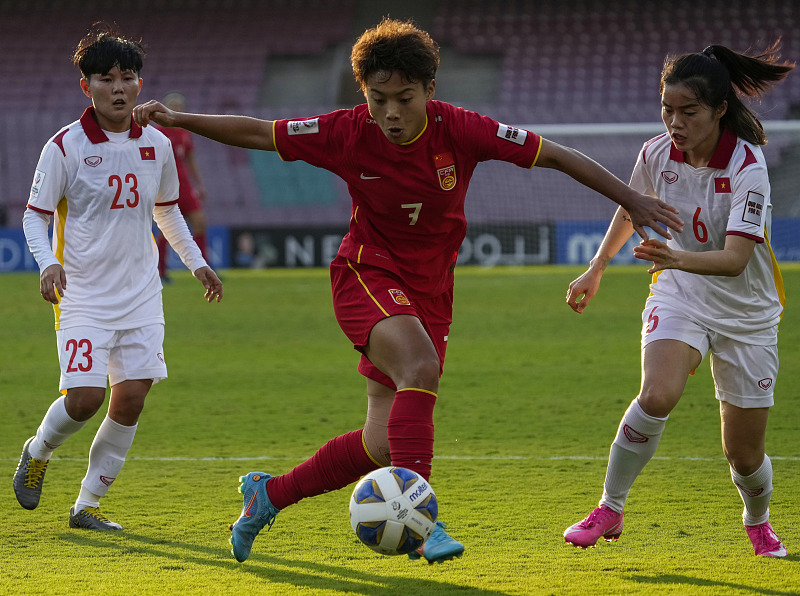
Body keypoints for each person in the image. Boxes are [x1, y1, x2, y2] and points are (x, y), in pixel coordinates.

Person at [134, 17, 682, 564]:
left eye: (404, 98)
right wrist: (178, 118)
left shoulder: (461, 129)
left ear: (430, 91)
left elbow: (557, 155)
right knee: (420, 368)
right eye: (378, 99)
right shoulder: (347, 131)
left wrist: (630, 200)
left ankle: (268, 495)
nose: (391, 113)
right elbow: (260, 132)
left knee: (380, 443)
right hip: (366, 272)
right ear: (363, 94)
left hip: (431, 290)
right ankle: (424, 525)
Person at [563, 41, 793, 557]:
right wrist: (597, 268)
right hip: (681, 292)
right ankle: (610, 508)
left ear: (718, 110)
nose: (675, 122)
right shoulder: (655, 153)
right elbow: (631, 209)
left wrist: (675, 257)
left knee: (743, 453)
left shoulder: (748, 167)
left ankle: (758, 520)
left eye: (688, 111)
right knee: (657, 395)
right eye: (667, 109)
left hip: (747, 314)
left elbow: (735, 260)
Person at [13, 23, 223, 531]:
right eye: (106, 78)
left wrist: (196, 263)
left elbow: (168, 212)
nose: (118, 87)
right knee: (86, 399)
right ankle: (37, 451)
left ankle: (86, 507)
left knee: (131, 399)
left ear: (139, 84)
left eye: (127, 77)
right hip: (82, 293)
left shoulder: (158, 144)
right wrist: (48, 263)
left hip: (141, 295)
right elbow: (33, 216)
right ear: (86, 86)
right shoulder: (63, 147)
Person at [154, 92, 210, 282]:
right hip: (167, 185)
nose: (177, 110)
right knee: (165, 230)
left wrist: (199, 184)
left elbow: (190, 160)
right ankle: (161, 272)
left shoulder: (185, 133)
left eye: (180, 107)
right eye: (173, 106)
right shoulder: (158, 133)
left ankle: (205, 268)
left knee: (200, 223)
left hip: (185, 185)